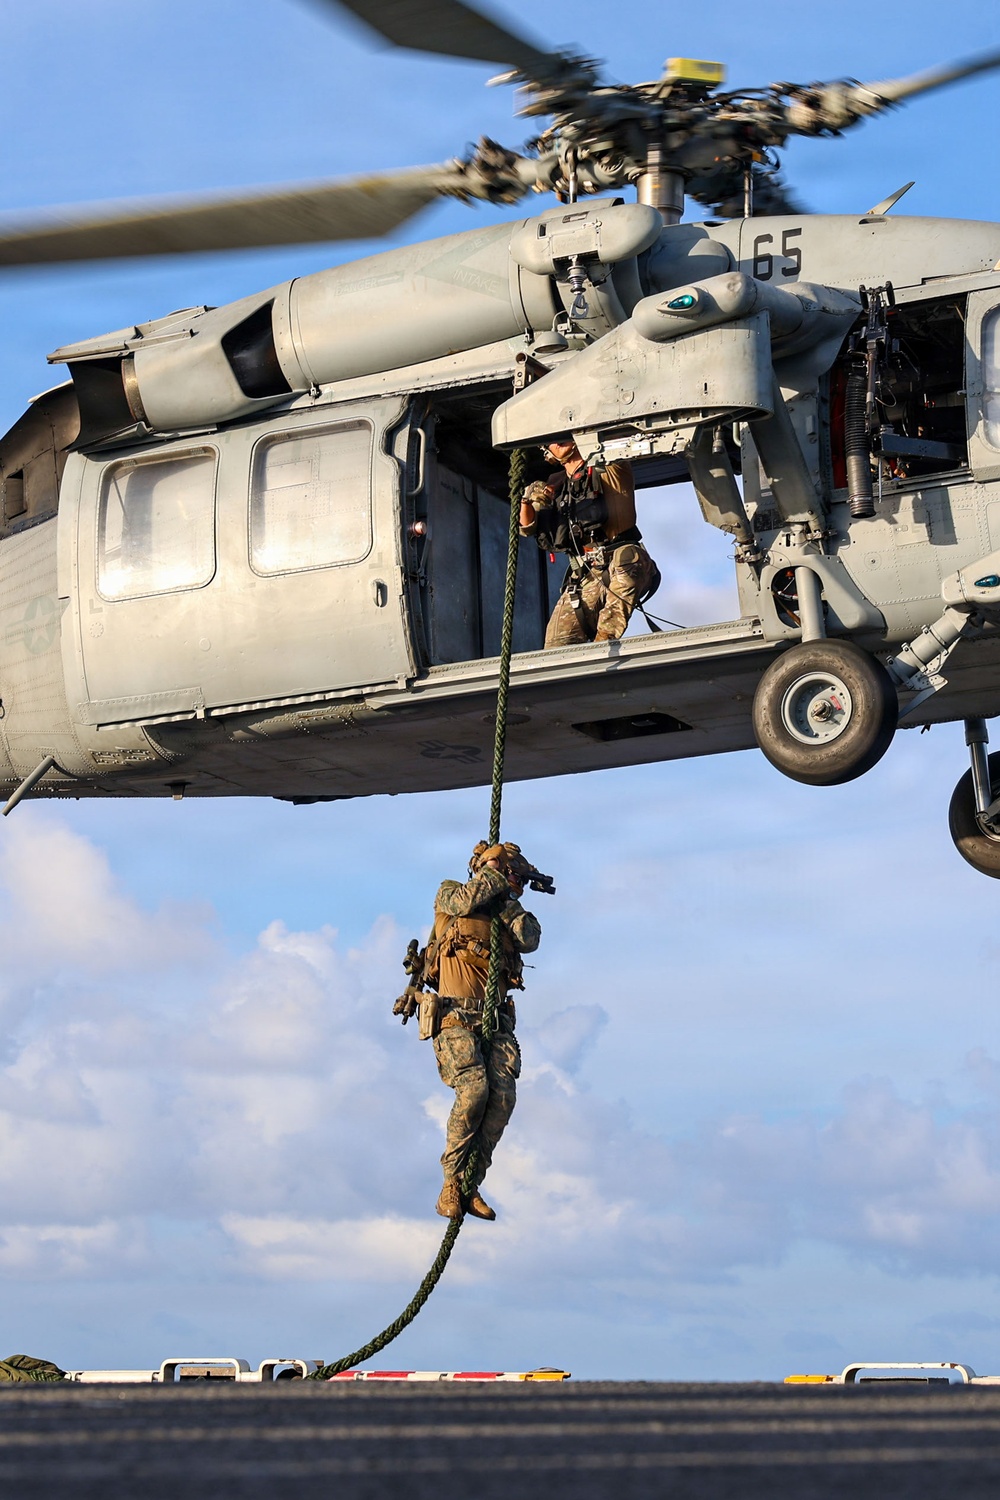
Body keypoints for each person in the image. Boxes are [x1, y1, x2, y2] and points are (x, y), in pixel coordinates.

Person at [416, 841, 548, 1222]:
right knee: (474, 1090)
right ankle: (451, 1183)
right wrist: (492, 872)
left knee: (502, 1097)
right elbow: (459, 902)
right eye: (513, 874)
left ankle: (471, 1182)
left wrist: (507, 899)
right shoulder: (450, 892)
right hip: (455, 1016)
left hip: (495, 1021)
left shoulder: (506, 910)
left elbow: (530, 939)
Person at [520, 438, 659, 647]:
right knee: (556, 646)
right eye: (551, 440)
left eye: (564, 435)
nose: (557, 441)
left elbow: (610, 439)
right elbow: (526, 528)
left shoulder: (608, 467)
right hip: (588, 572)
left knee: (626, 559)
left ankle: (604, 648)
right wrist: (527, 500)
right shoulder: (555, 486)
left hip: (624, 562)